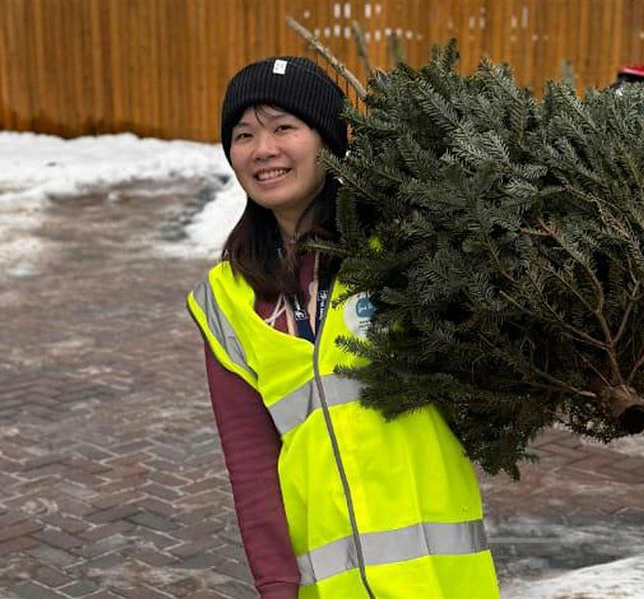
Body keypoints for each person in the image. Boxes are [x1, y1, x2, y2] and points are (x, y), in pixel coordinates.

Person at [187, 56, 499, 599]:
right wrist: (278, 586)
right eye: (244, 135)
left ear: (328, 140)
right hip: (328, 584)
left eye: (284, 127)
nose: (263, 150)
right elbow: (252, 463)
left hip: (438, 576)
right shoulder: (227, 299)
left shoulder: (403, 245)